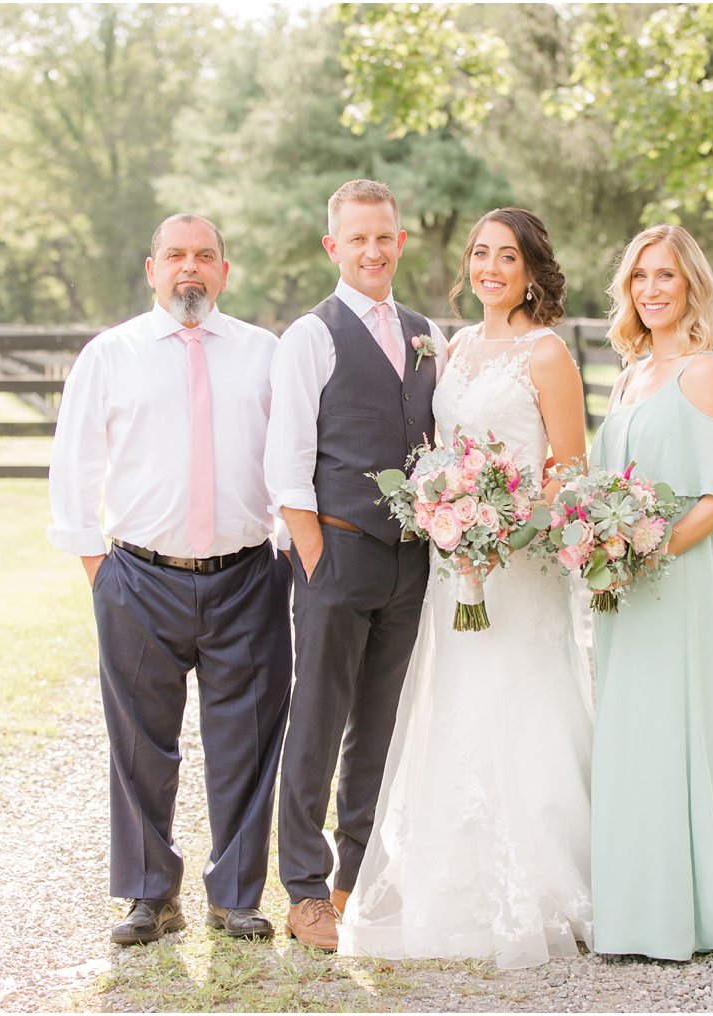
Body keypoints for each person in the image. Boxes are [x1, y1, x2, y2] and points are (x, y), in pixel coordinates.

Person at [337, 207, 595, 968]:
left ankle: (548, 881)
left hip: (519, 567)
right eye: (480, 254)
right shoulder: (453, 349)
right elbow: (441, 454)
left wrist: (505, 529)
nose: (490, 269)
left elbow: (570, 475)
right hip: (457, 569)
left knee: (524, 700)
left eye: (506, 257)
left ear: (531, 270)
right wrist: (450, 517)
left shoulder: (548, 356)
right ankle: (452, 882)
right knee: (455, 705)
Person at [47, 213, 292, 946]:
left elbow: (293, 459)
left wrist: (281, 549)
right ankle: (151, 895)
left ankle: (238, 895)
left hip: (247, 574)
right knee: (139, 745)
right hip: (138, 577)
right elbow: (74, 465)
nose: (191, 268)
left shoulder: (265, 353)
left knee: (246, 740)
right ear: (151, 268)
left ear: (224, 270)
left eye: (205, 256)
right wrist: (101, 572)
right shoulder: (110, 355)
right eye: (176, 255)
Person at [265, 179, 449, 951]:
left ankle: (357, 875)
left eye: (385, 236)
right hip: (336, 552)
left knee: (379, 724)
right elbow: (286, 466)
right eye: (357, 238)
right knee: (318, 718)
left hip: (412, 565)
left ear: (400, 242)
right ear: (332, 246)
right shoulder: (312, 335)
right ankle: (304, 887)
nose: (373, 250)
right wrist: (317, 561)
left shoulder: (425, 330)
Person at [588, 224, 713, 960]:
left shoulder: (703, 372)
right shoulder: (629, 375)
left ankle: (678, 915)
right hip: (620, 588)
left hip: (672, 584)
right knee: (626, 739)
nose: (651, 290)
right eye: (640, 277)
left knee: (669, 734)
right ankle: (630, 908)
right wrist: (599, 548)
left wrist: (647, 552)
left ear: (691, 287)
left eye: (666, 277)